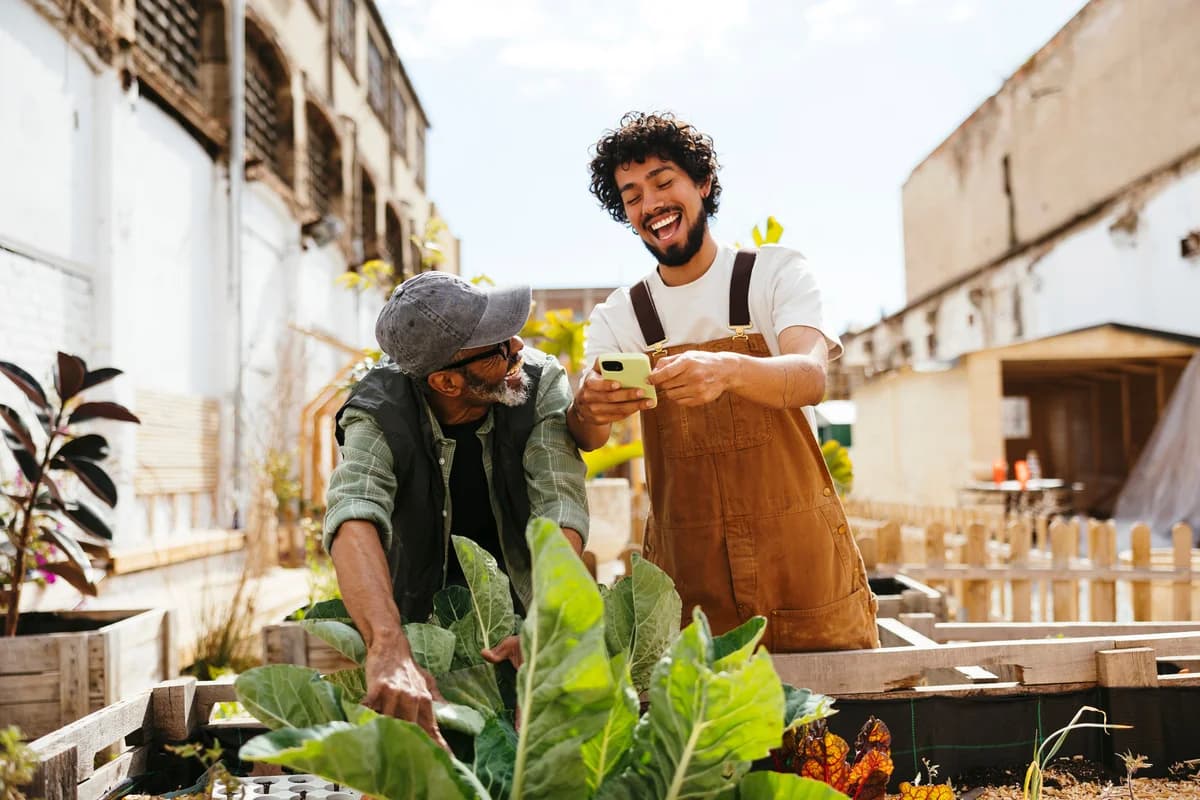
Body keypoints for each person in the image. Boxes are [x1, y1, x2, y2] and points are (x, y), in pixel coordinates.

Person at [568, 111, 877, 653]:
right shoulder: (622, 316)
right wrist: (590, 408)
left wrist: (729, 370)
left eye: (664, 182)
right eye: (632, 195)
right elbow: (590, 437)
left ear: (703, 184)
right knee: (703, 735)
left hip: (802, 566)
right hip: (690, 582)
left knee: (832, 734)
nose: (651, 205)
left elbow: (809, 377)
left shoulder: (774, 274)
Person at [323, 271, 589, 745]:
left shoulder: (539, 381)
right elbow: (354, 510)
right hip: (420, 618)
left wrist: (545, 625)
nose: (518, 348)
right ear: (446, 380)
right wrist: (387, 648)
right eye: (498, 348)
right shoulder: (379, 409)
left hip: (528, 605)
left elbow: (559, 503)